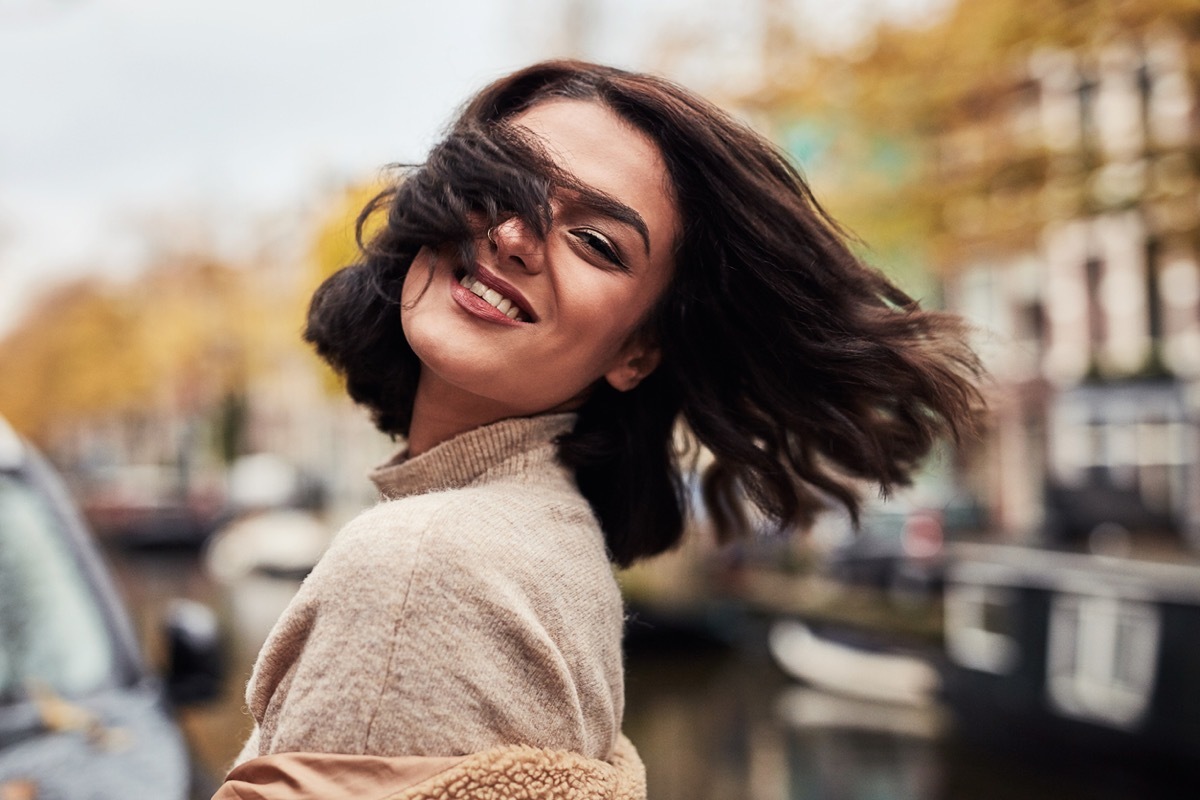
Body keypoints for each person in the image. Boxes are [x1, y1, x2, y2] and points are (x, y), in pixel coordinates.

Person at [213, 60, 981, 799]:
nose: (513, 234)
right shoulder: (548, 535)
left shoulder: (422, 559)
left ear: (638, 351)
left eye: (596, 243)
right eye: (497, 183)